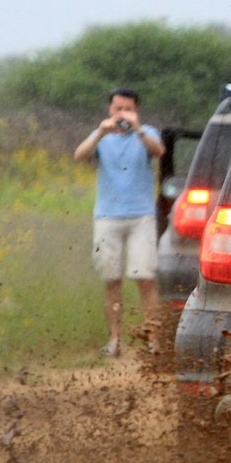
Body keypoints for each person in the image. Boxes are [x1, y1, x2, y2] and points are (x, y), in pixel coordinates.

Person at [73, 88, 165, 357]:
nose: (121, 114)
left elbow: (158, 151)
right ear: (109, 110)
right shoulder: (101, 135)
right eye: (117, 108)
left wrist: (138, 130)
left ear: (136, 111)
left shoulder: (147, 132)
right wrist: (102, 132)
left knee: (145, 278)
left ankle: (153, 339)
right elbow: (79, 155)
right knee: (111, 279)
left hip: (141, 215)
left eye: (127, 109)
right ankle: (114, 340)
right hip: (107, 215)